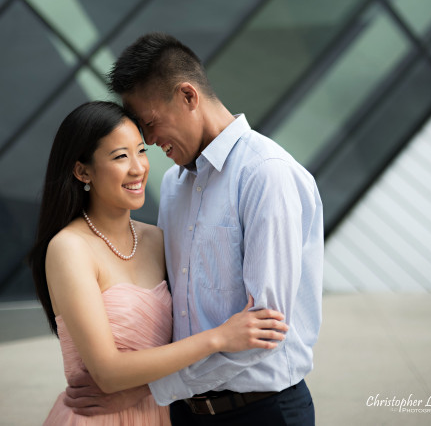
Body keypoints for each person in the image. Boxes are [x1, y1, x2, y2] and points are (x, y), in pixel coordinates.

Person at [65, 34, 324, 423]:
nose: (148, 141)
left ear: (188, 96)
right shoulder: (173, 185)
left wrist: (146, 390)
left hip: (262, 412)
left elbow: (263, 333)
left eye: (150, 124)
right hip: (184, 412)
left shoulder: (266, 174)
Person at [29, 101, 290, 424]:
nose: (138, 168)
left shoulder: (156, 240)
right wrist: (219, 337)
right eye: (120, 156)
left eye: (141, 151)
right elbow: (107, 373)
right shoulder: (69, 248)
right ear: (83, 171)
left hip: (163, 412)